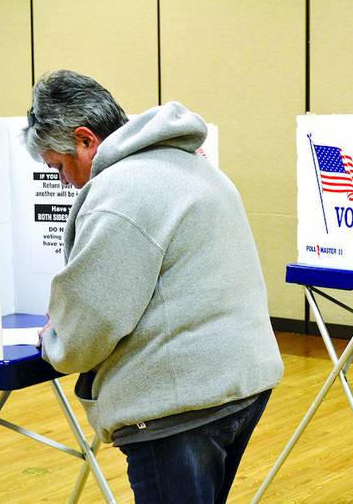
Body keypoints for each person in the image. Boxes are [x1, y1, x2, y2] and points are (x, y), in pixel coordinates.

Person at [23, 70, 284, 504]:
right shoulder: (189, 164)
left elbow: (92, 320)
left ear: (86, 140)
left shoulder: (120, 190)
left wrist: (54, 338)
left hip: (180, 405)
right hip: (240, 385)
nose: (65, 182)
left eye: (58, 166)